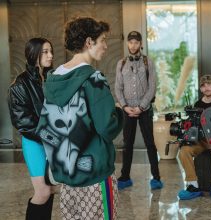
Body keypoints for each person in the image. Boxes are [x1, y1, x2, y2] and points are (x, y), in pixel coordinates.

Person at [36, 17, 123, 219]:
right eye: (103, 40)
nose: (106, 46)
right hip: (95, 175)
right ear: (89, 42)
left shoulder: (55, 77)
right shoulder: (93, 79)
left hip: (67, 176)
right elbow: (107, 127)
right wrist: (118, 111)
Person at [7, 37, 55, 220]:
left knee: (50, 189)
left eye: (51, 51)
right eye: (45, 52)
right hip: (35, 142)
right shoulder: (19, 84)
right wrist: (51, 137)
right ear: (33, 54)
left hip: (53, 141)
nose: (50, 55)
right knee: (42, 191)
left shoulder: (53, 78)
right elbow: (23, 123)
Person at [115, 31, 163, 190]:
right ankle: (125, 176)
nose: (133, 45)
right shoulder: (121, 63)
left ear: (141, 43)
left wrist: (141, 107)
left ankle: (156, 177)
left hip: (145, 109)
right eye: (131, 42)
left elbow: (152, 87)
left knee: (150, 143)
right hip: (127, 110)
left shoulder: (148, 62)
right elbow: (118, 87)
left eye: (136, 42)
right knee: (127, 143)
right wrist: (125, 106)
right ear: (127, 44)